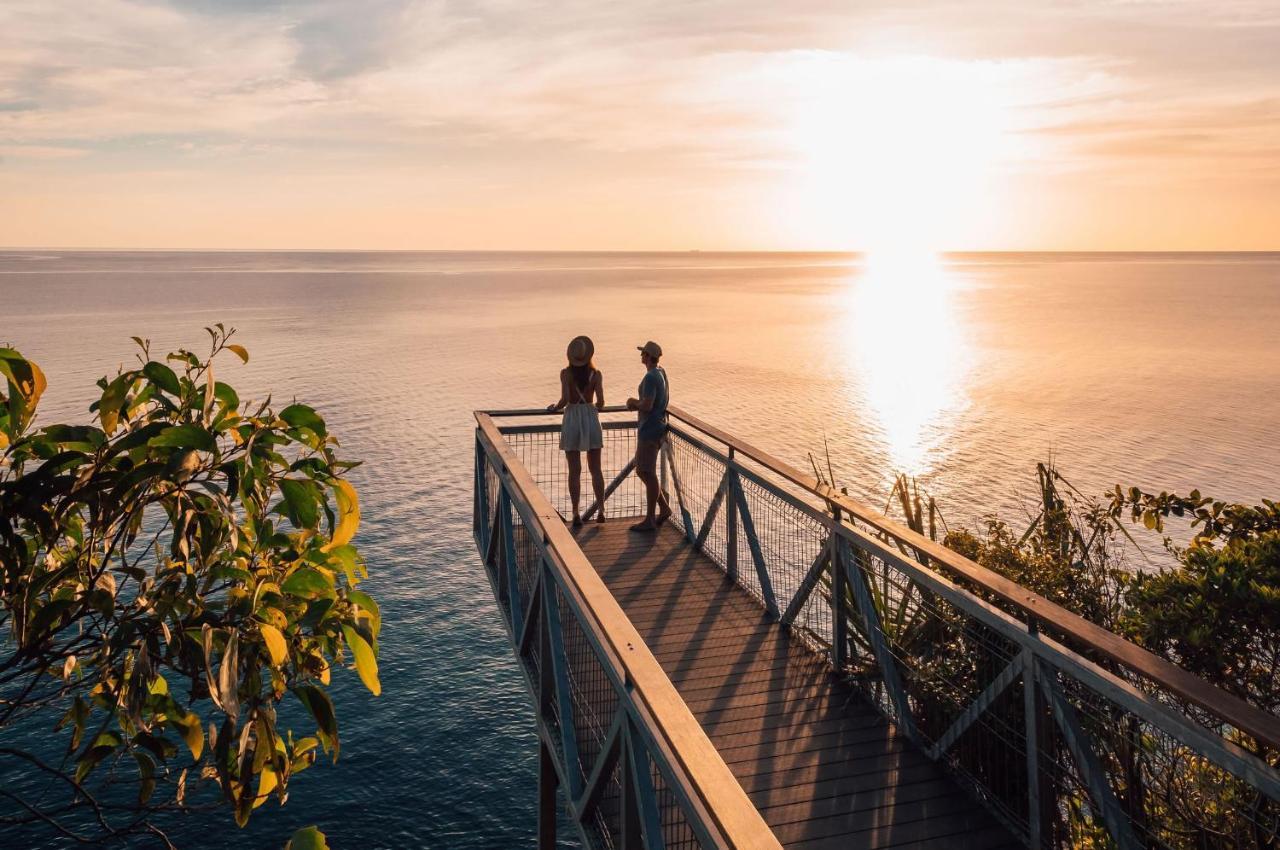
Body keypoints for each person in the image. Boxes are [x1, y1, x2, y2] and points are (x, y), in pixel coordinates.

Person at [547, 335, 606, 526]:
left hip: (572, 417)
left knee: (574, 471)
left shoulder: (566, 374)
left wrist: (554, 407)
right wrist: (595, 404)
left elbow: (564, 400)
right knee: (595, 469)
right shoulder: (596, 375)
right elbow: (601, 402)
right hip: (590, 417)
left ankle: (575, 512)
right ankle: (601, 510)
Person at [625, 340, 672, 532]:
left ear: (648, 357)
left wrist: (632, 402)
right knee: (644, 470)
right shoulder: (661, 372)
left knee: (647, 472)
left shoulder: (651, 377)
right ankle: (664, 508)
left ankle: (650, 519)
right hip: (658, 426)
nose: (641, 356)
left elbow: (647, 405)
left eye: (643, 353)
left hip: (649, 429)